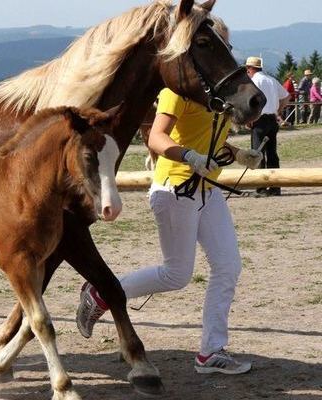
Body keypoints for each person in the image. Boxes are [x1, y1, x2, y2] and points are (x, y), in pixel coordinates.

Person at [75, 87, 263, 375]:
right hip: (175, 189)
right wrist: (189, 156)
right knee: (177, 275)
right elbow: (156, 137)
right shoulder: (177, 92)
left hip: (207, 190)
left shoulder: (219, 94)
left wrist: (238, 154)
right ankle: (102, 293)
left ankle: (211, 352)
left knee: (228, 266)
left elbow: (211, 140)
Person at [245, 56, 289, 197]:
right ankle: (275, 187)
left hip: (260, 120)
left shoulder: (253, 81)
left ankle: (261, 187)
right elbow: (286, 96)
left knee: (258, 153)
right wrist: (279, 110)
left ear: (250, 68)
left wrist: (250, 118)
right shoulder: (271, 79)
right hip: (272, 119)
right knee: (272, 154)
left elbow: (251, 101)